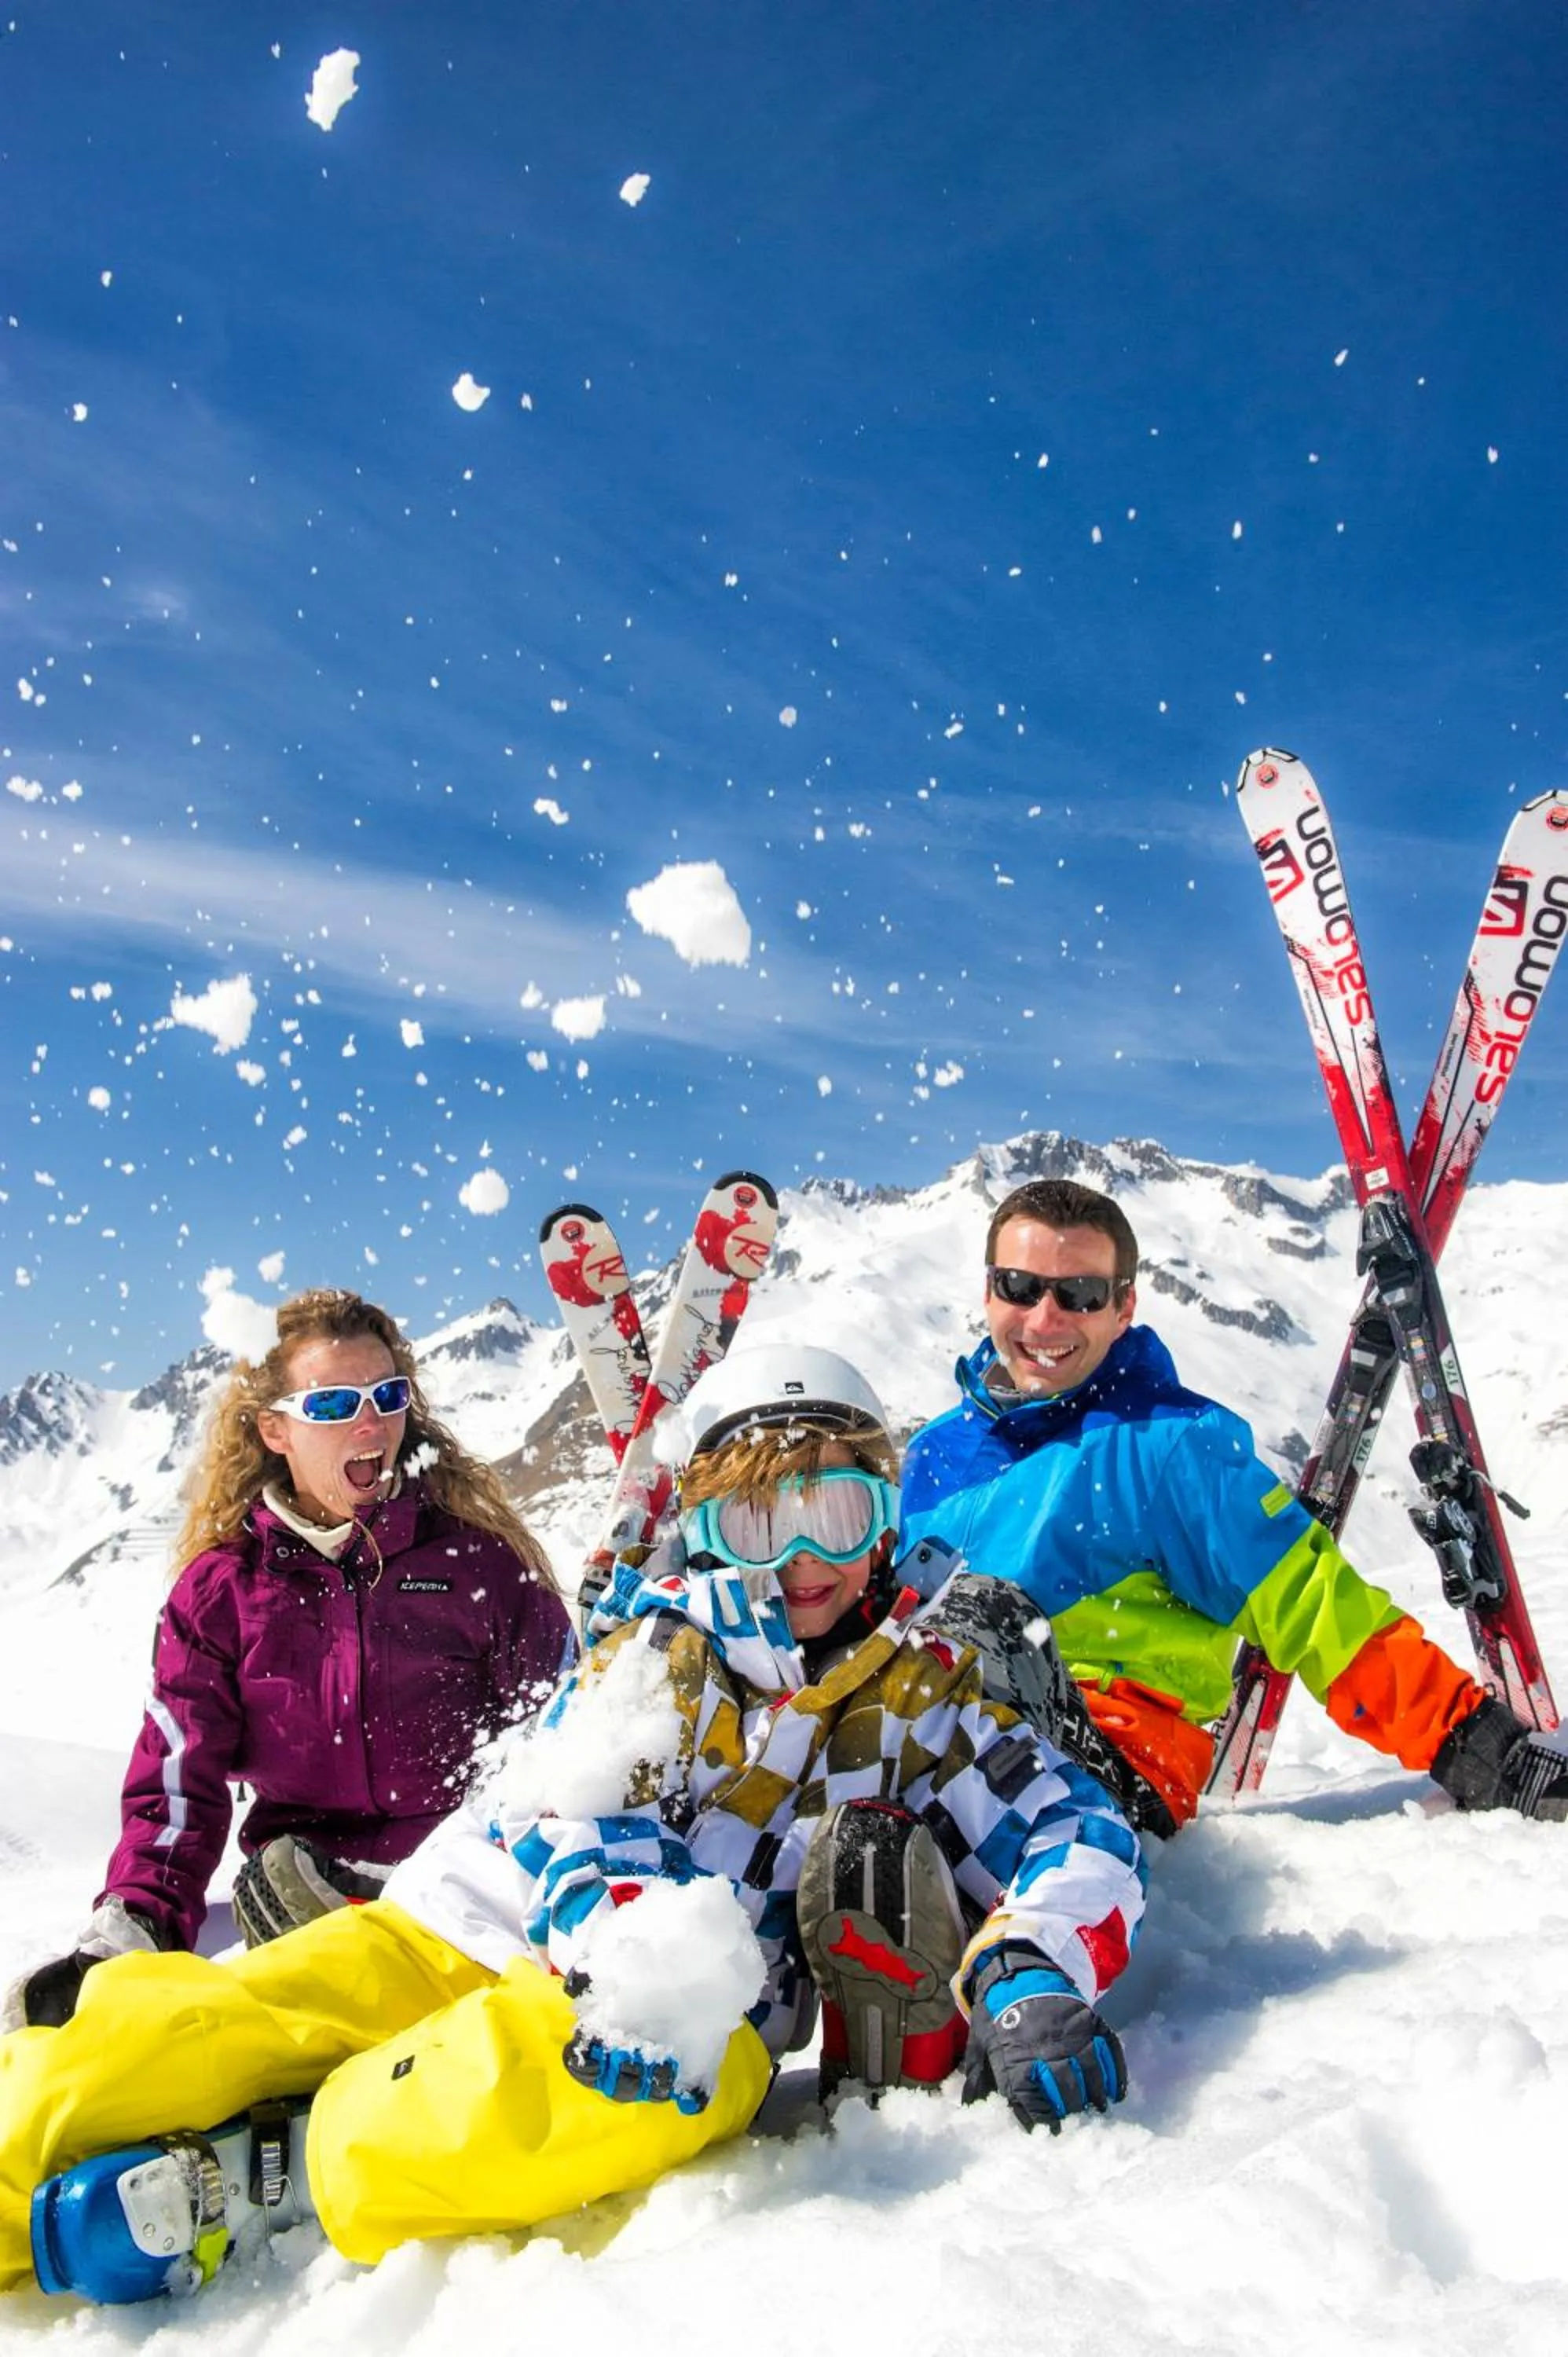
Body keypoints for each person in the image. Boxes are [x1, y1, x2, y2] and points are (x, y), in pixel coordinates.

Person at [0, 1343, 1145, 2306]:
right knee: (172, 2034)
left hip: (687, 2032)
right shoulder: (660, 1653)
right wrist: (644, 1953)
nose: (800, 1560)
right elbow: (574, 1812)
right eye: (755, 1523)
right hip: (466, 1928)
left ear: (884, 1519)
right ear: (706, 1531)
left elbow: (1077, 1827)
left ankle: (291, 2165)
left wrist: (1032, 1961)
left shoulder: (929, 1701)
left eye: (835, 1514)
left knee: (557, 2106)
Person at [899, 1175, 1568, 1835]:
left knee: (980, 1619)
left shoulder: (1168, 1447)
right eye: (1021, 1287)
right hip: (935, 1742)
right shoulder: (935, 1455)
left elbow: (1309, 1602)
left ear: (1123, 1306)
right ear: (989, 1291)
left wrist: (1480, 1750)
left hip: (1109, 1761)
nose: (1046, 1319)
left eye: (1079, 1295)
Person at [4, 1288, 572, 2030]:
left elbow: (562, 1741)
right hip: (302, 1903)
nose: (371, 1422)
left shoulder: (478, 1565)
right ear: (277, 1430)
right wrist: (132, 1927)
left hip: (468, 1903)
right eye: (335, 1405)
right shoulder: (222, 1593)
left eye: (386, 1395)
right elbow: (179, 1783)